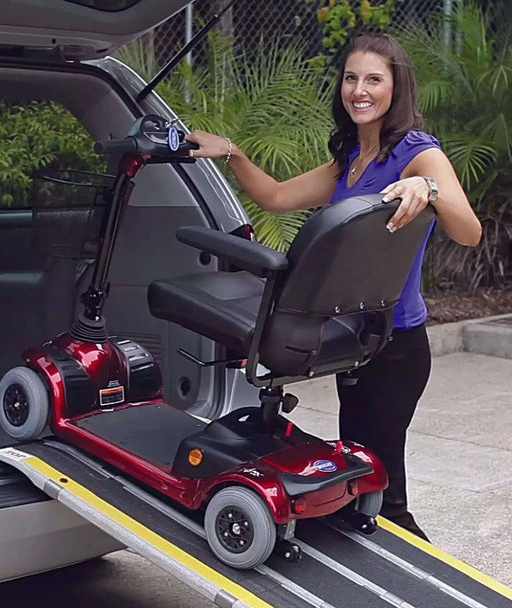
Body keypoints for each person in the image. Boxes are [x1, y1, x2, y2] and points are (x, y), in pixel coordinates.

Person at [186, 33, 482, 541]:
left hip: (396, 347)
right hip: (354, 340)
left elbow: (469, 232)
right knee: (359, 472)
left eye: (373, 79)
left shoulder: (418, 153)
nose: (359, 90)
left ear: (396, 88)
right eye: (351, 78)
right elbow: (277, 196)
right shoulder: (350, 160)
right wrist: (230, 151)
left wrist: (427, 187)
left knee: (385, 488)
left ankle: (418, 578)